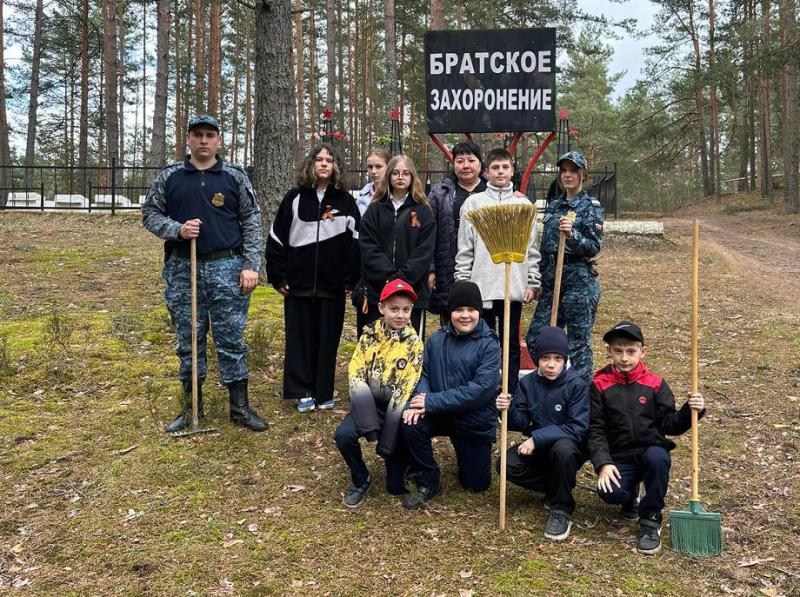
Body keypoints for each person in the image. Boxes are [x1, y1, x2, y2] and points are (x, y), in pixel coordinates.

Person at [142, 114, 267, 433]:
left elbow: (252, 222)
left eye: (210, 135)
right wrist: (177, 229)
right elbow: (150, 215)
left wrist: (251, 265)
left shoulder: (234, 177)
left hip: (227, 267)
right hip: (184, 268)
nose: (203, 140)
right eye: (197, 134)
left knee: (231, 337)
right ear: (187, 138)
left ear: (218, 140)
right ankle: (191, 407)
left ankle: (239, 407)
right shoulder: (170, 177)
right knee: (189, 338)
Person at [589, 321, 706, 555]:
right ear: (609, 351)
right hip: (619, 455)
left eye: (631, 351)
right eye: (618, 351)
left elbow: (669, 424)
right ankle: (628, 495)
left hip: (649, 451)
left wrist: (690, 411)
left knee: (657, 458)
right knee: (610, 493)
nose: (624, 358)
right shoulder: (598, 384)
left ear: (643, 352)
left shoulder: (655, 384)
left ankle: (650, 519)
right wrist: (603, 463)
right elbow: (596, 429)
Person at [266, 143, 360, 413]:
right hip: (298, 286)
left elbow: (356, 243)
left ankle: (323, 391)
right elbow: (276, 239)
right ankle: (301, 390)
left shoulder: (345, 202)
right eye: (319, 159)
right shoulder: (294, 198)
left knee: (327, 339)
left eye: (329, 160)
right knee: (299, 339)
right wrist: (278, 276)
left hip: (332, 287)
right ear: (310, 164)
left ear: (336, 167)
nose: (323, 164)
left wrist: (349, 280)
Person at [400, 281, 501, 509]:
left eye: (471, 310)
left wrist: (431, 401)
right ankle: (428, 476)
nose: (465, 315)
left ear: (479, 312)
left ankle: (467, 458)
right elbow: (424, 373)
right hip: (439, 413)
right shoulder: (436, 340)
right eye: (458, 310)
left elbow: (479, 391)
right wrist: (419, 402)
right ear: (450, 312)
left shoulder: (490, 345)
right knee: (410, 422)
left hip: (472, 420)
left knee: (476, 485)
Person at [454, 147, 541, 392]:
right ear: (486, 172)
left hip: (512, 286)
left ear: (512, 170)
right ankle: (485, 391)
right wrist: (463, 282)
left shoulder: (522, 205)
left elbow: (531, 248)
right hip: (481, 287)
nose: (500, 172)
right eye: (495, 167)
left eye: (505, 167)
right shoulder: (474, 203)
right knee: (483, 341)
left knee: (510, 342)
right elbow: (465, 248)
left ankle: (508, 392)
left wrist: (532, 282)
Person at [334, 279, 424, 507]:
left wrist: (386, 440)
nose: (400, 315)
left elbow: (406, 387)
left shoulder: (415, 345)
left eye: (406, 310)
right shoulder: (367, 337)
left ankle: (407, 463)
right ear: (382, 307)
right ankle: (361, 479)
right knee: (343, 435)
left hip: (396, 409)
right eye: (394, 309)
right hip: (367, 405)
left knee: (394, 488)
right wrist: (368, 424)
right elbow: (355, 374)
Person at [496, 326, 589, 541]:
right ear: (537, 358)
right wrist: (506, 409)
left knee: (563, 449)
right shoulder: (528, 383)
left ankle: (562, 508)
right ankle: (556, 486)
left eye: (557, 358)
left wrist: (537, 438)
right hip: (536, 450)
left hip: (567, 447)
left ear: (565, 359)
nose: (551, 364)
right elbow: (520, 422)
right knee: (505, 464)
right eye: (546, 358)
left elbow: (577, 427)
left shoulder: (576, 385)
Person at [525, 151, 604, 386]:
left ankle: (580, 396)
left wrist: (572, 234)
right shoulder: (555, 206)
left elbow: (594, 247)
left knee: (578, 344)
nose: (567, 175)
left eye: (573, 171)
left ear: (583, 175)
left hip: (578, 282)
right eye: (564, 171)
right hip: (552, 280)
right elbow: (544, 247)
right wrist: (537, 280)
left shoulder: (590, 206)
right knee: (538, 337)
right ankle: (556, 385)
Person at [358, 154, 436, 336]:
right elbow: (369, 247)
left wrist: (402, 279)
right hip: (378, 290)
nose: (400, 177)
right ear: (388, 177)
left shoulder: (423, 211)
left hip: (413, 290)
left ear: (412, 177)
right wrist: (389, 278)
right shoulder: (374, 210)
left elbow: (424, 251)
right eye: (395, 173)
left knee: (409, 349)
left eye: (405, 173)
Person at [427, 142, 488, 320]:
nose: (466, 165)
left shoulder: (492, 191)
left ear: (480, 164)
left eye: (471, 160)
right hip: (448, 265)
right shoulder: (440, 193)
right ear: (454, 164)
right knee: (451, 316)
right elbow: (428, 233)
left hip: (483, 266)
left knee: (483, 316)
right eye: (460, 161)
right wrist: (431, 268)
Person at [355, 148, 391, 216]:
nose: (373, 171)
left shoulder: (395, 194)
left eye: (378, 166)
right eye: (370, 167)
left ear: (388, 167)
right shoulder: (361, 196)